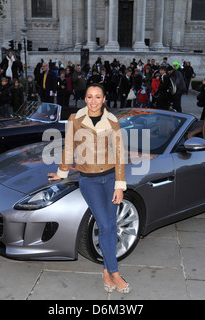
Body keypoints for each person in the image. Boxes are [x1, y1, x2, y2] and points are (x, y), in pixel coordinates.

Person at [47, 83, 130, 294]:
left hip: (110, 178)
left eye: (97, 97)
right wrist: (62, 172)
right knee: (104, 224)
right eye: (90, 97)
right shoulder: (75, 120)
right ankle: (116, 273)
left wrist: (120, 185)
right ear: (85, 99)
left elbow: (119, 153)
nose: (93, 101)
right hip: (89, 180)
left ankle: (106, 271)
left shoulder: (112, 121)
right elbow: (69, 147)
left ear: (104, 100)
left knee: (110, 225)